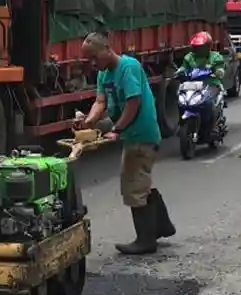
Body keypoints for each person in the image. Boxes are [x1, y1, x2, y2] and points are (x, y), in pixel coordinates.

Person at [73, 32, 175, 254]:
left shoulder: (128, 67)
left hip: (141, 134)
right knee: (139, 181)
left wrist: (116, 130)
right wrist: (89, 122)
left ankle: (146, 240)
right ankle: (162, 226)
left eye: (94, 58)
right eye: (88, 59)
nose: (92, 64)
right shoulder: (104, 74)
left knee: (134, 185)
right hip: (132, 134)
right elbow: (100, 101)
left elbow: (134, 102)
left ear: (106, 49)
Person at [176, 31, 226, 131]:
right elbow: (183, 68)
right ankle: (182, 123)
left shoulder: (215, 57)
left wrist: (217, 71)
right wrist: (178, 72)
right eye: (197, 47)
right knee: (180, 101)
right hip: (192, 85)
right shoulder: (189, 57)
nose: (199, 50)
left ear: (208, 47)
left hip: (211, 84)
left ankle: (213, 126)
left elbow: (221, 70)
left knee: (208, 103)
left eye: (201, 47)